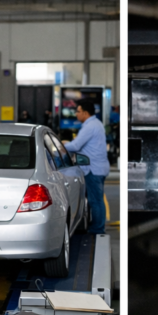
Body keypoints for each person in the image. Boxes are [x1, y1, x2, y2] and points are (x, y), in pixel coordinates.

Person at [62, 99, 109, 235]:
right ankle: (96, 227)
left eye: (78, 111)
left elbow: (76, 146)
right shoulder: (96, 124)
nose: (76, 114)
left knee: (96, 201)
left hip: (93, 169)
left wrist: (61, 145)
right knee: (97, 200)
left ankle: (97, 229)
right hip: (97, 168)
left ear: (86, 113)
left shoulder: (90, 126)